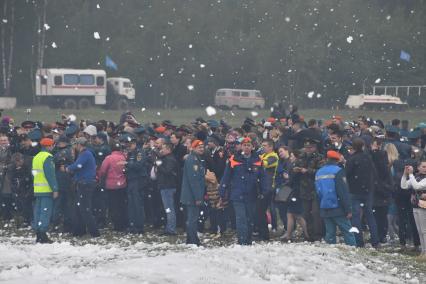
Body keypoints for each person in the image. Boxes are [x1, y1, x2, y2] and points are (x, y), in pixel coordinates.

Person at [220, 137, 263, 245]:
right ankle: (242, 240)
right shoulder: (234, 159)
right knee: (241, 218)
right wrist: (222, 191)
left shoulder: (258, 160)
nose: (247, 147)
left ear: (252, 147)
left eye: (249, 145)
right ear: (241, 146)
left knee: (250, 219)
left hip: (252, 194)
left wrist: (263, 191)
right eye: (245, 145)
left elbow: (263, 177)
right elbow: (226, 176)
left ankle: (248, 240)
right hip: (237, 193)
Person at [315, 150, 356, 246]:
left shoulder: (319, 172)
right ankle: (352, 249)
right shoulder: (338, 171)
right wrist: (348, 209)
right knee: (347, 231)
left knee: (330, 232)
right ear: (337, 160)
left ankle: (330, 252)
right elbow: (343, 192)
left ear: (326, 159)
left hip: (324, 206)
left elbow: (318, 192)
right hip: (338, 207)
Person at [345, 138, 379, 248]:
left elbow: (347, 174)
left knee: (355, 217)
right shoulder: (368, 158)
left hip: (354, 190)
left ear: (353, 147)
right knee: (370, 215)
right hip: (368, 190)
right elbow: (374, 173)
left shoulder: (351, 159)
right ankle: (375, 241)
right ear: (363, 146)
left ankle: (359, 241)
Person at [66, 137, 100, 237]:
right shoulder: (86, 153)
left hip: (85, 184)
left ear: (79, 145)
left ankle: (94, 232)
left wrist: (68, 168)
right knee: (79, 208)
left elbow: (77, 165)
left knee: (85, 209)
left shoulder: (85, 154)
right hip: (84, 183)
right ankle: (79, 231)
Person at [32, 138, 58, 243]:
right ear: (48, 146)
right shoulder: (48, 157)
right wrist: (55, 188)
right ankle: (43, 234)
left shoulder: (36, 157)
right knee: (45, 212)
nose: (52, 147)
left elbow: (34, 174)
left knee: (37, 211)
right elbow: (50, 175)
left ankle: (38, 233)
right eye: (52, 145)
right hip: (46, 189)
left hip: (37, 189)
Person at [181, 140, 206, 245]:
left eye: (202, 147)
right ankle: (193, 241)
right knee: (193, 219)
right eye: (199, 147)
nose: (201, 149)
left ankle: (191, 239)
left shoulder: (196, 159)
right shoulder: (193, 160)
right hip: (192, 195)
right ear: (194, 148)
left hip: (192, 194)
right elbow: (194, 180)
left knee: (192, 218)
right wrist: (198, 197)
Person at [98, 141, 127, 232]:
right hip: (122, 184)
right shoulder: (123, 157)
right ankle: (123, 224)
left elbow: (102, 171)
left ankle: (117, 225)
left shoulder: (108, 158)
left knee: (113, 206)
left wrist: (101, 180)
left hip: (111, 186)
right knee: (121, 205)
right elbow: (125, 169)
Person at [401, 161, 426, 257]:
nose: (425, 168)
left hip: (424, 206)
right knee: (419, 230)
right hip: (415, 205)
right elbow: (403, 186)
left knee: (424, 230)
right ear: (418, 167)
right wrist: (405, 174)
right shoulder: (416, 177)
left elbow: (417, 186)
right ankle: (423, 251)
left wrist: (411, 174)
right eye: (423, 166)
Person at [123, 133, 147, 234]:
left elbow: (138, 165)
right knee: (131, 204)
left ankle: (139, 226)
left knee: (137, 204)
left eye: (130, 144)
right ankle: (133, 225)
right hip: (131, 180)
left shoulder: (139, 153)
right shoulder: (131, 153)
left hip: (138, 180)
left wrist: (127, 164)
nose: (128, 146)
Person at [155, 142, 179, 235]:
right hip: (165, 186)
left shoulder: (170, 159)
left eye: (164, 148)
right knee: (168, 208)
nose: (162, 150)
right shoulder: (166, 158)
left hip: (168, 187)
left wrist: (159, 165)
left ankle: (171, 229)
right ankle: (169, 227)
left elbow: (167, 171)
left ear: (168, 149)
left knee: (169, 208)